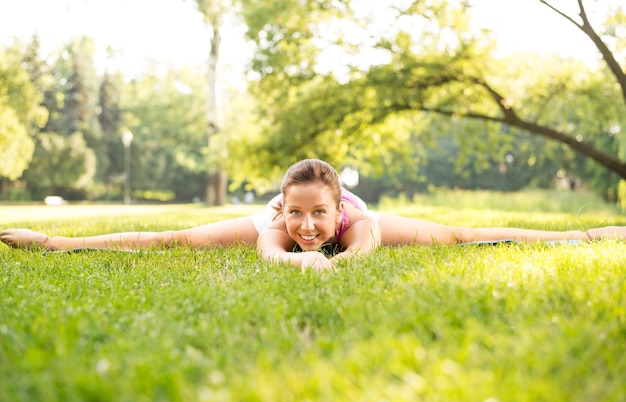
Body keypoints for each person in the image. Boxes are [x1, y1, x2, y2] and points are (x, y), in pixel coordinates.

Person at [1, 158, 625, 272]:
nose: (307, 228)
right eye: (298, 214)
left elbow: (371, 238)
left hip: (361, 219)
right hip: (274, 209)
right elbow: (271, 250)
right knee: (173, 237)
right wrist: (294, 261)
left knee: (461, 236)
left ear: (336, 209)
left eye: (316, 216)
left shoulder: (352, 218)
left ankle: (588, 231)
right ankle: (48, 240)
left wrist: (345, 258)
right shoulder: (278, 219)